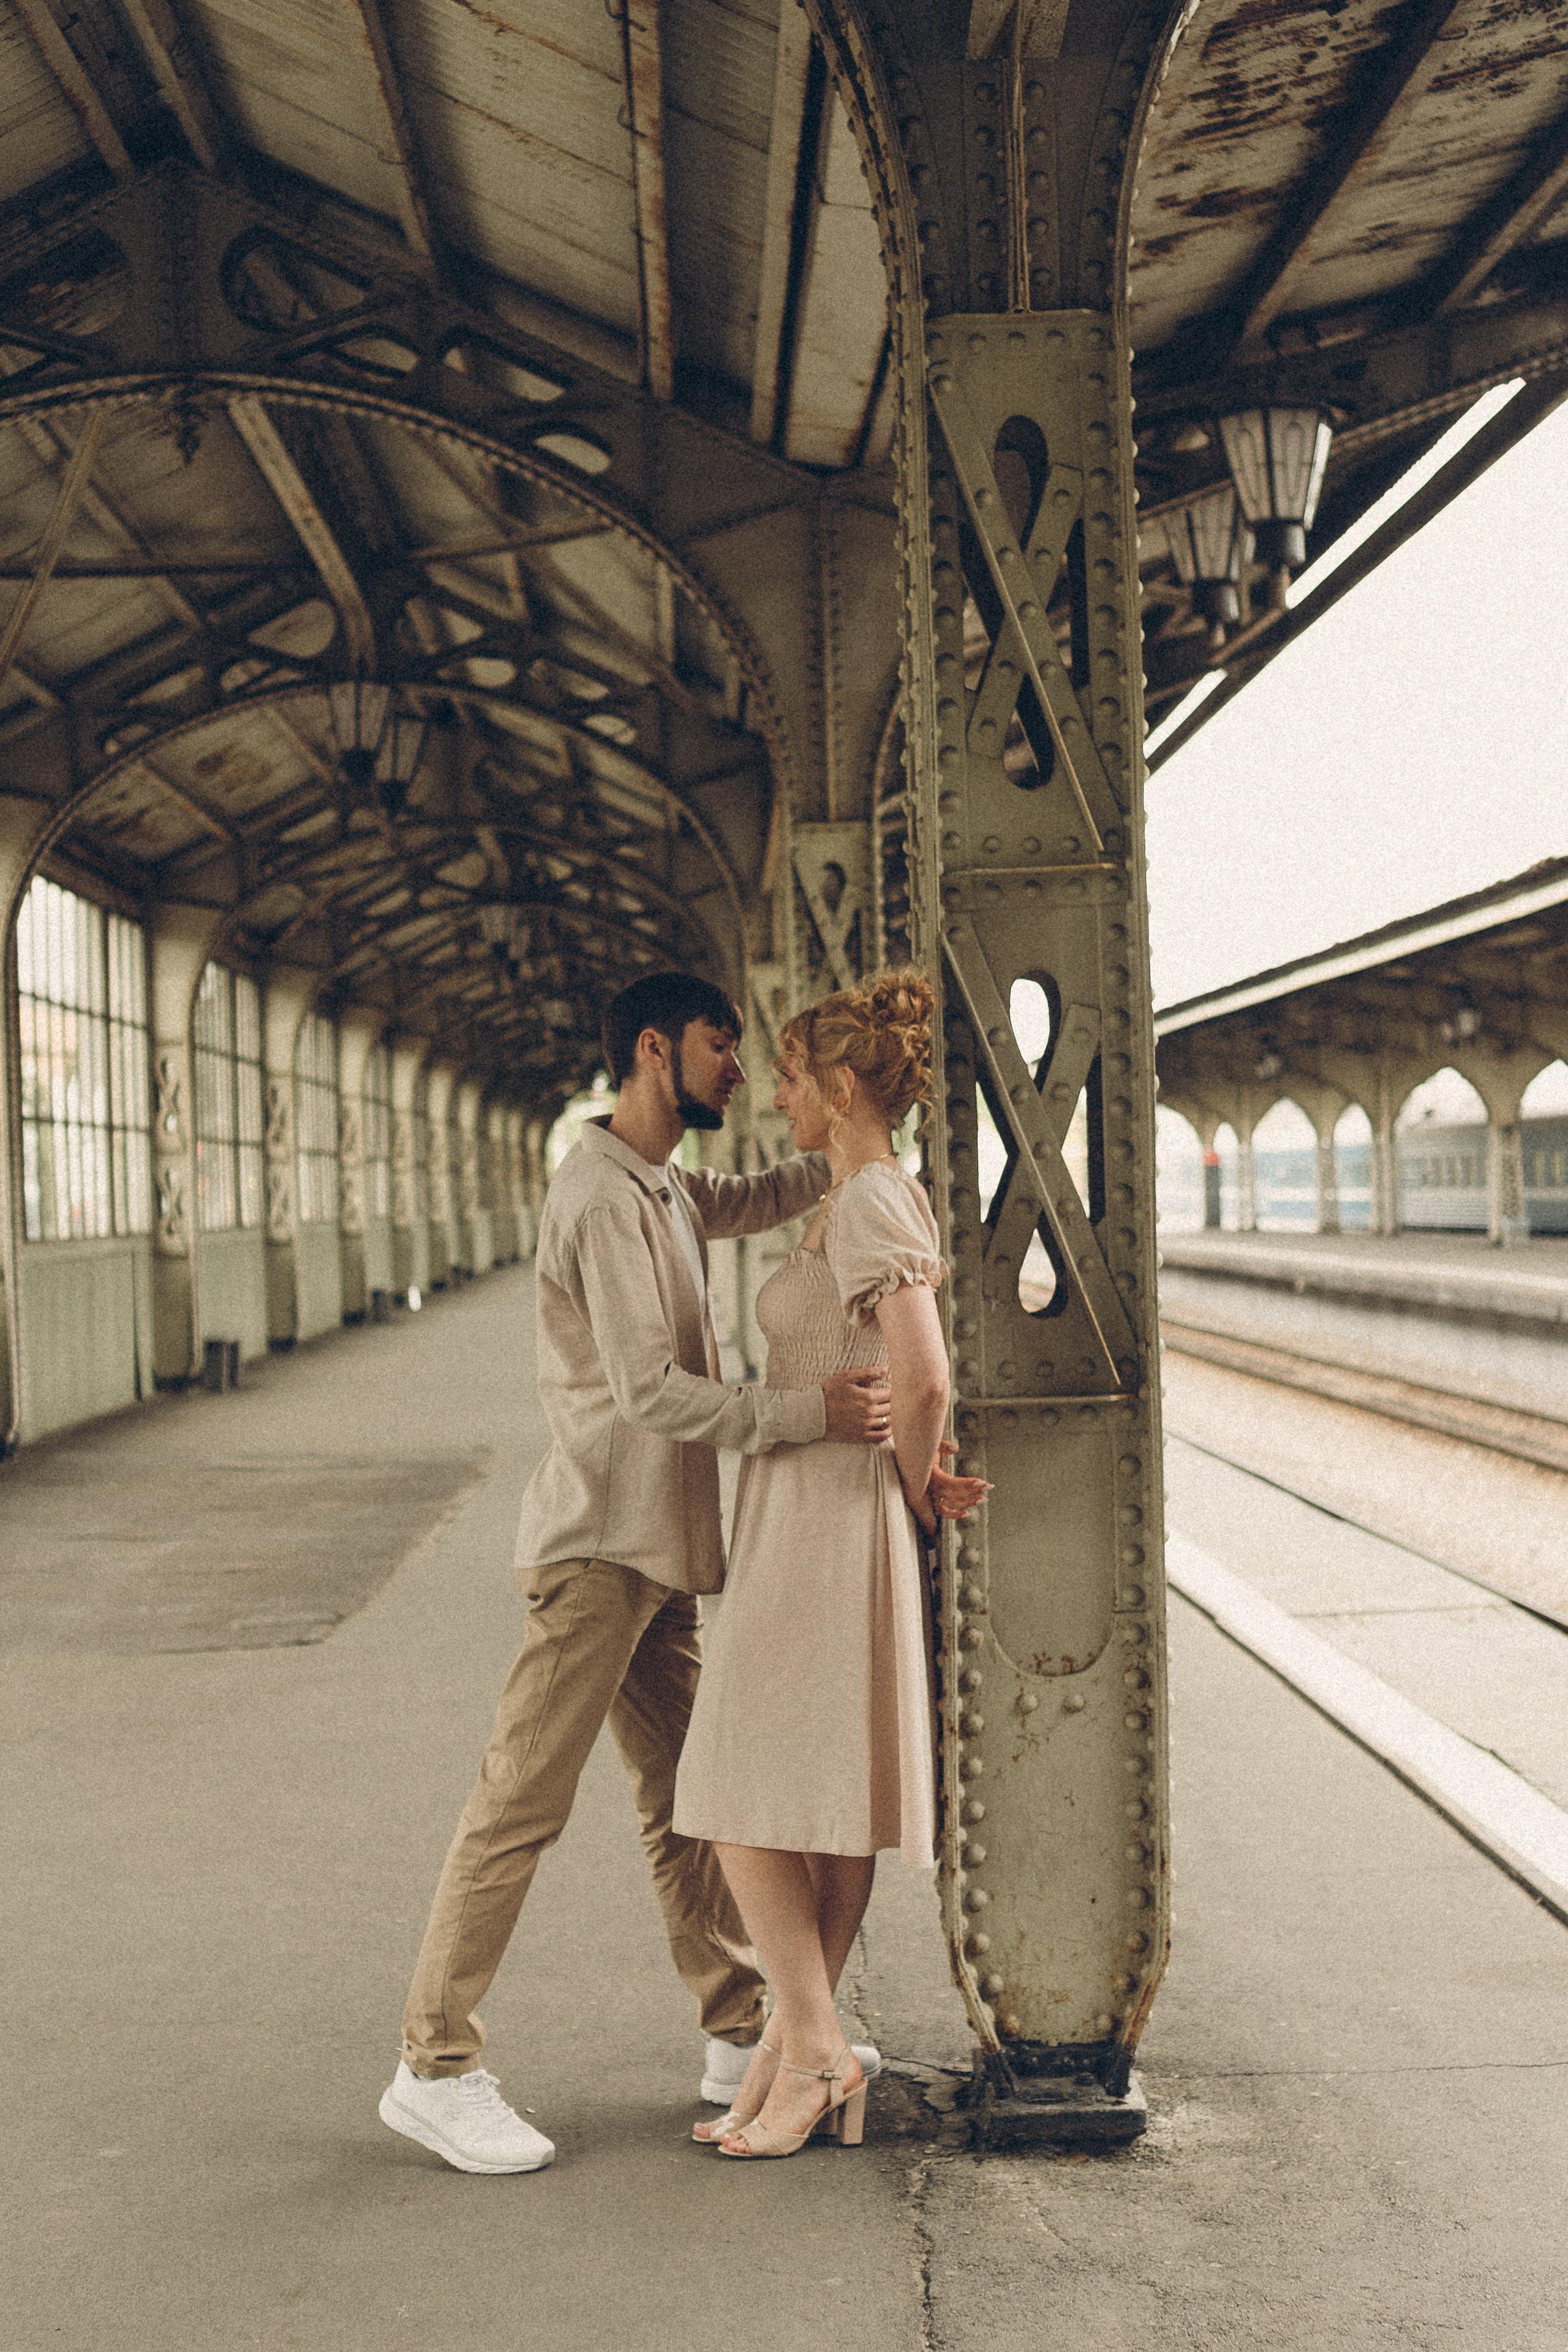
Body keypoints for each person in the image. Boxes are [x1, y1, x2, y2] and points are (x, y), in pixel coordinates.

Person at [379, 971, 893, 2175]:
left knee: (688, 1801)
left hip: (654, 1553)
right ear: (657, 1051)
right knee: (520, 1806)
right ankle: (432, 2064)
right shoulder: (601, 1198)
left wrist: (863, 1134)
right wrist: (806, 1413)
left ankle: (732, 2030)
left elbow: (761, 1190)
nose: (738, 1073)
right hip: (598, 1553)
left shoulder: (658, 1179)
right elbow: (648, 1393)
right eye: (724, 1050)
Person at [673, 970, 987, 2160]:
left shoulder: (865, 1200)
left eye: (794, 1077)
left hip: (822, 1524)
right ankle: (792, 2062)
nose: (779, 1096)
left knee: (730, 1779)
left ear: (841, 1085)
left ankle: (809, 2047)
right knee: (816, 1796)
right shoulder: (855, 1193)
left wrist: (916, 1486)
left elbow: (924, 1375)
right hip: (809, 1516)